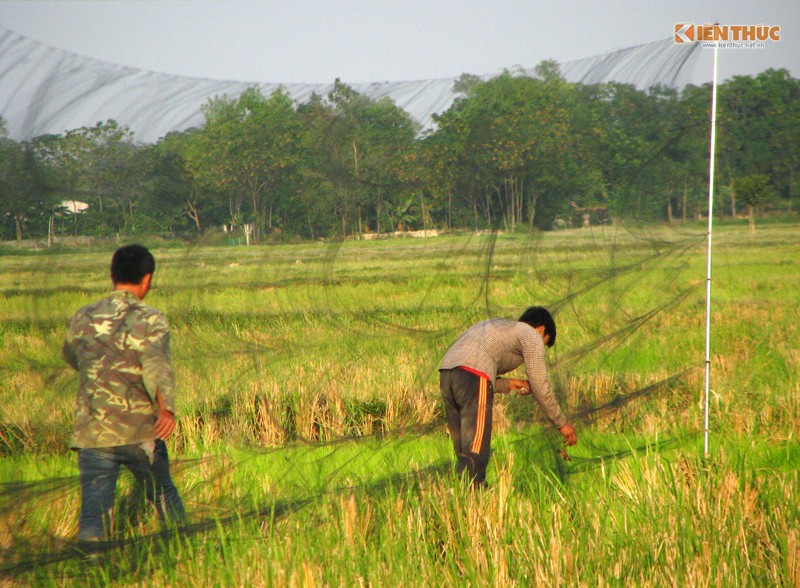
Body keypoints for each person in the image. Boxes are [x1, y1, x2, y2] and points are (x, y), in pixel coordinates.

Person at [61, 244, 185, 544]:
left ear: (112, 275)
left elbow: (70, 355)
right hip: (140, 431)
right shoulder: (151, 318)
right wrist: (166, 409)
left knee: (93, 512)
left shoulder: (83, 316)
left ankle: (90, 567)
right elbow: (157, 368)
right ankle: (183, 551)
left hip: (93, 431)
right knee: (163, 495)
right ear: (147, 279)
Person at [439, 306, 577, 486]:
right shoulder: (530, 334)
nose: (539, 347)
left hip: (446, 373)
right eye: (544, 342)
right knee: (475, 448)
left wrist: (509, 384)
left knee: (463, 448)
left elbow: (473, 368)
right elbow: (540, 385)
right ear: (541, 329)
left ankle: (462, 495)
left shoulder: (499, 326)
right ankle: (474, 492)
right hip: (474, 374)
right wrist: (561, 423)